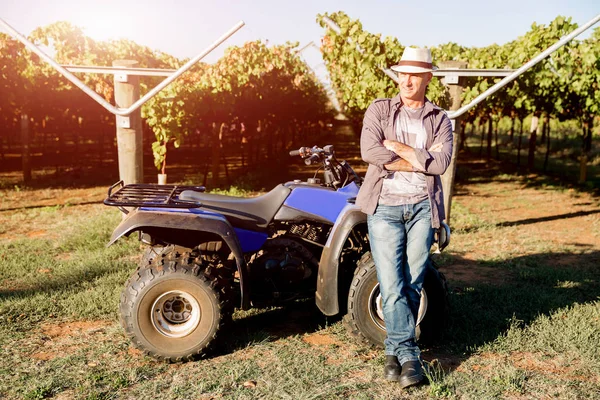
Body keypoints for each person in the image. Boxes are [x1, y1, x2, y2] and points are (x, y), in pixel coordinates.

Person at [355, 47, 453, 388]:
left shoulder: (439, 118)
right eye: (402, 73)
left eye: (415, 74)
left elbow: (442, 165)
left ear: (427, 78)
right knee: (392, 284)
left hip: (423, 208)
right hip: (384, 207)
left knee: (412, 283)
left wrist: (399, 148)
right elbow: (370, 152)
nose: (407, 80)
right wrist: (421, 158)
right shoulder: (380, 109)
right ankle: (410, 356)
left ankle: (393, 351)